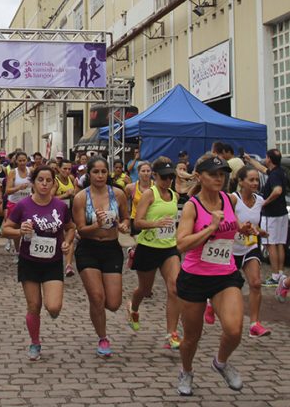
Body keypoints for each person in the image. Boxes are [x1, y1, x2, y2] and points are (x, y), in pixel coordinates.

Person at [175, 154, 256, 396]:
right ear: (200, 177)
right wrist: (210, 228)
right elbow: (181, 244)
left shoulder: (228, 199)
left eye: (222, 174)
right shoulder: (192, 206)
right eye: (213, 174)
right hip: (194, 277)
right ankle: (186, 371)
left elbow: (233, 222)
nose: (219, 178)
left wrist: (242, 228)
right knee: (191, 338)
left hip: (225, 274)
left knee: (234, 330)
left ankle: (220, 362)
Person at [2, 165, 75, 360]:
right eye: (40, 180)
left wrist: (67, 242)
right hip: (29, 262)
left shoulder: (60, 206)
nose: (44, 184)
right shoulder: (23, 206)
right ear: (33, 183)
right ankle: (35, 342)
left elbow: (70, 227)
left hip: (52, 262)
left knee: (53, 307)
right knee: (34, 305)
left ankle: (51, 311)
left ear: (53, 183)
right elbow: (5, 229)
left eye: (48, 180)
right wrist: (20, 232)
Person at [72, 156, 130, 357]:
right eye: (95, 172)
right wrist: (97, 225)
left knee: (113, 303)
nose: (100, 175)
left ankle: (99, 310)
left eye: (103, 171)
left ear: (109, 173)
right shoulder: (81, 198)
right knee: (97, 297)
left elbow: (126, 218)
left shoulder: (118, 194)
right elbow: (80, 229)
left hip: (111, 249)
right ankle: (103, 337)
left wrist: (124, 225)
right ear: (89, 174)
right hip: (88, 248)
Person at [127, 158, 181, 349]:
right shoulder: (150, 194)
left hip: (169, 248)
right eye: (164, 177)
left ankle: (172, 333)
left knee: (174, 287)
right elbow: (137, 223)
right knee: (145, 290)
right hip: (148, 247)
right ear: (155, 176)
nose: (168, 181)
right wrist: (155, 224)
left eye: (171, 177)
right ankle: (133, 308)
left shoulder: (174, 195)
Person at [231, 166, 271, 337]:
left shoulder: (260, 200)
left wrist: (260, 231)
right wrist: (240, 227)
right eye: (251, 180)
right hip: (230, 250)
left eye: (257, 180)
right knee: (228, 287)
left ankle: (254, 324)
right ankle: (210, 302)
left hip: (249, 247)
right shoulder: (233, 198)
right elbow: (225, 219)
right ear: (241, 182)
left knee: (255, 283)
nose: (255, 183)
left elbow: (257, 226)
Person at [245, 149, 287, 286]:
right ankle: (280, 274)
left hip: (271, 214)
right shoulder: (279, 171)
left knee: (270, 244)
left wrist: (265, 201)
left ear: (269, 159)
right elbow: (262, 169)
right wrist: (250, 160)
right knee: (280, 243)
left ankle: (275, 276)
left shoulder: (274, 175)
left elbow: (278, 190)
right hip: (282, 213)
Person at [4, 151, 32, 258]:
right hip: (14, 203)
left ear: (27, 161)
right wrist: (18, 188)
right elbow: (7, 190)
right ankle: (17, 251)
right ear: (16, 161)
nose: (22, 163)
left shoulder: (31, 171)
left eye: (24, 160)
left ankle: (27, 250)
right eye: (19, 161)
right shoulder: (13, 172)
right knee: (16, 228)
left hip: (27, 203)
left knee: (28, 227)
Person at [53, 159, 77, 277]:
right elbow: (50, 198)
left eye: (69, 169)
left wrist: (74, 195)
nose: (67, 171)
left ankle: (68, 265)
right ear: (59, 168)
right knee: (58, 237)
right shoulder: (55, 181)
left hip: (68, 211)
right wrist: (65, 195)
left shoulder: (71, 179)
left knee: (70, 237)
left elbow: (76, 194)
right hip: (56, 213)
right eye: (64, 169)